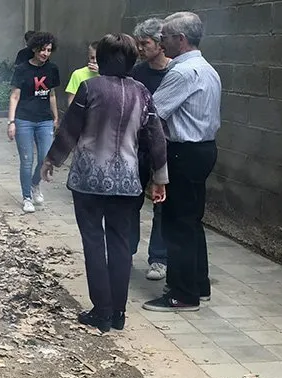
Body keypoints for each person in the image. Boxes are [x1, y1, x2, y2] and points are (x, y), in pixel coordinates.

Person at [41, 33, 168, 333]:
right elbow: (156, 137)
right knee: (121, 244)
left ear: (103, 58)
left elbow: (70, 129)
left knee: (94, 243)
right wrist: (160, 179)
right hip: (126, 181)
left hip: (88, 181)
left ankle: (102, 311)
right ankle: (119, 313)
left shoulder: (90, 88)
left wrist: (51, 160)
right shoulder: (142, 92)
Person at [142, 11, 221, 313]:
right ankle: (198, 283)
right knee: (191, 220)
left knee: (176, 224)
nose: (161, 43)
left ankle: (182, 294)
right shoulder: (206, 68)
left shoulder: (181, 72)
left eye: (164, 38)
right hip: (203, 150)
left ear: (181, 40)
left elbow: (154, 113)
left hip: (183, 152)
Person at [131, 18, 171, 281]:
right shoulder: (137, 73)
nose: (140, 48)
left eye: (144, 43)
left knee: (162, 205)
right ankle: (126, 248)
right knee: (130, 200)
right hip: (138, 148)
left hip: (167, 150)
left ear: (160, 43)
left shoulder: (176, 73)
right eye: (138, 43)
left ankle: (159, 258)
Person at [7, 31, 60, 213]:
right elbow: (14, 96)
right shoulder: (22, 69)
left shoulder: (52, 69)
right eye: (42, 50)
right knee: (27, 160)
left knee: (46, 157)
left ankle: (34, 184)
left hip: (45, 120)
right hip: (24, 120)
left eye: (49, 50)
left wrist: (55, 117)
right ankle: (27, 197)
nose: (45, 53)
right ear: (34, 49)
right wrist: (11, 122)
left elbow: (52, 94)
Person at [65, 41, 99, 106]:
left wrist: (101, 72)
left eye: (98, 57)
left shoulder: (109, 75)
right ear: (88, 56)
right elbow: (71, 101)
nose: (95, 61)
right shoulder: (78, 74)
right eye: (92, 58)